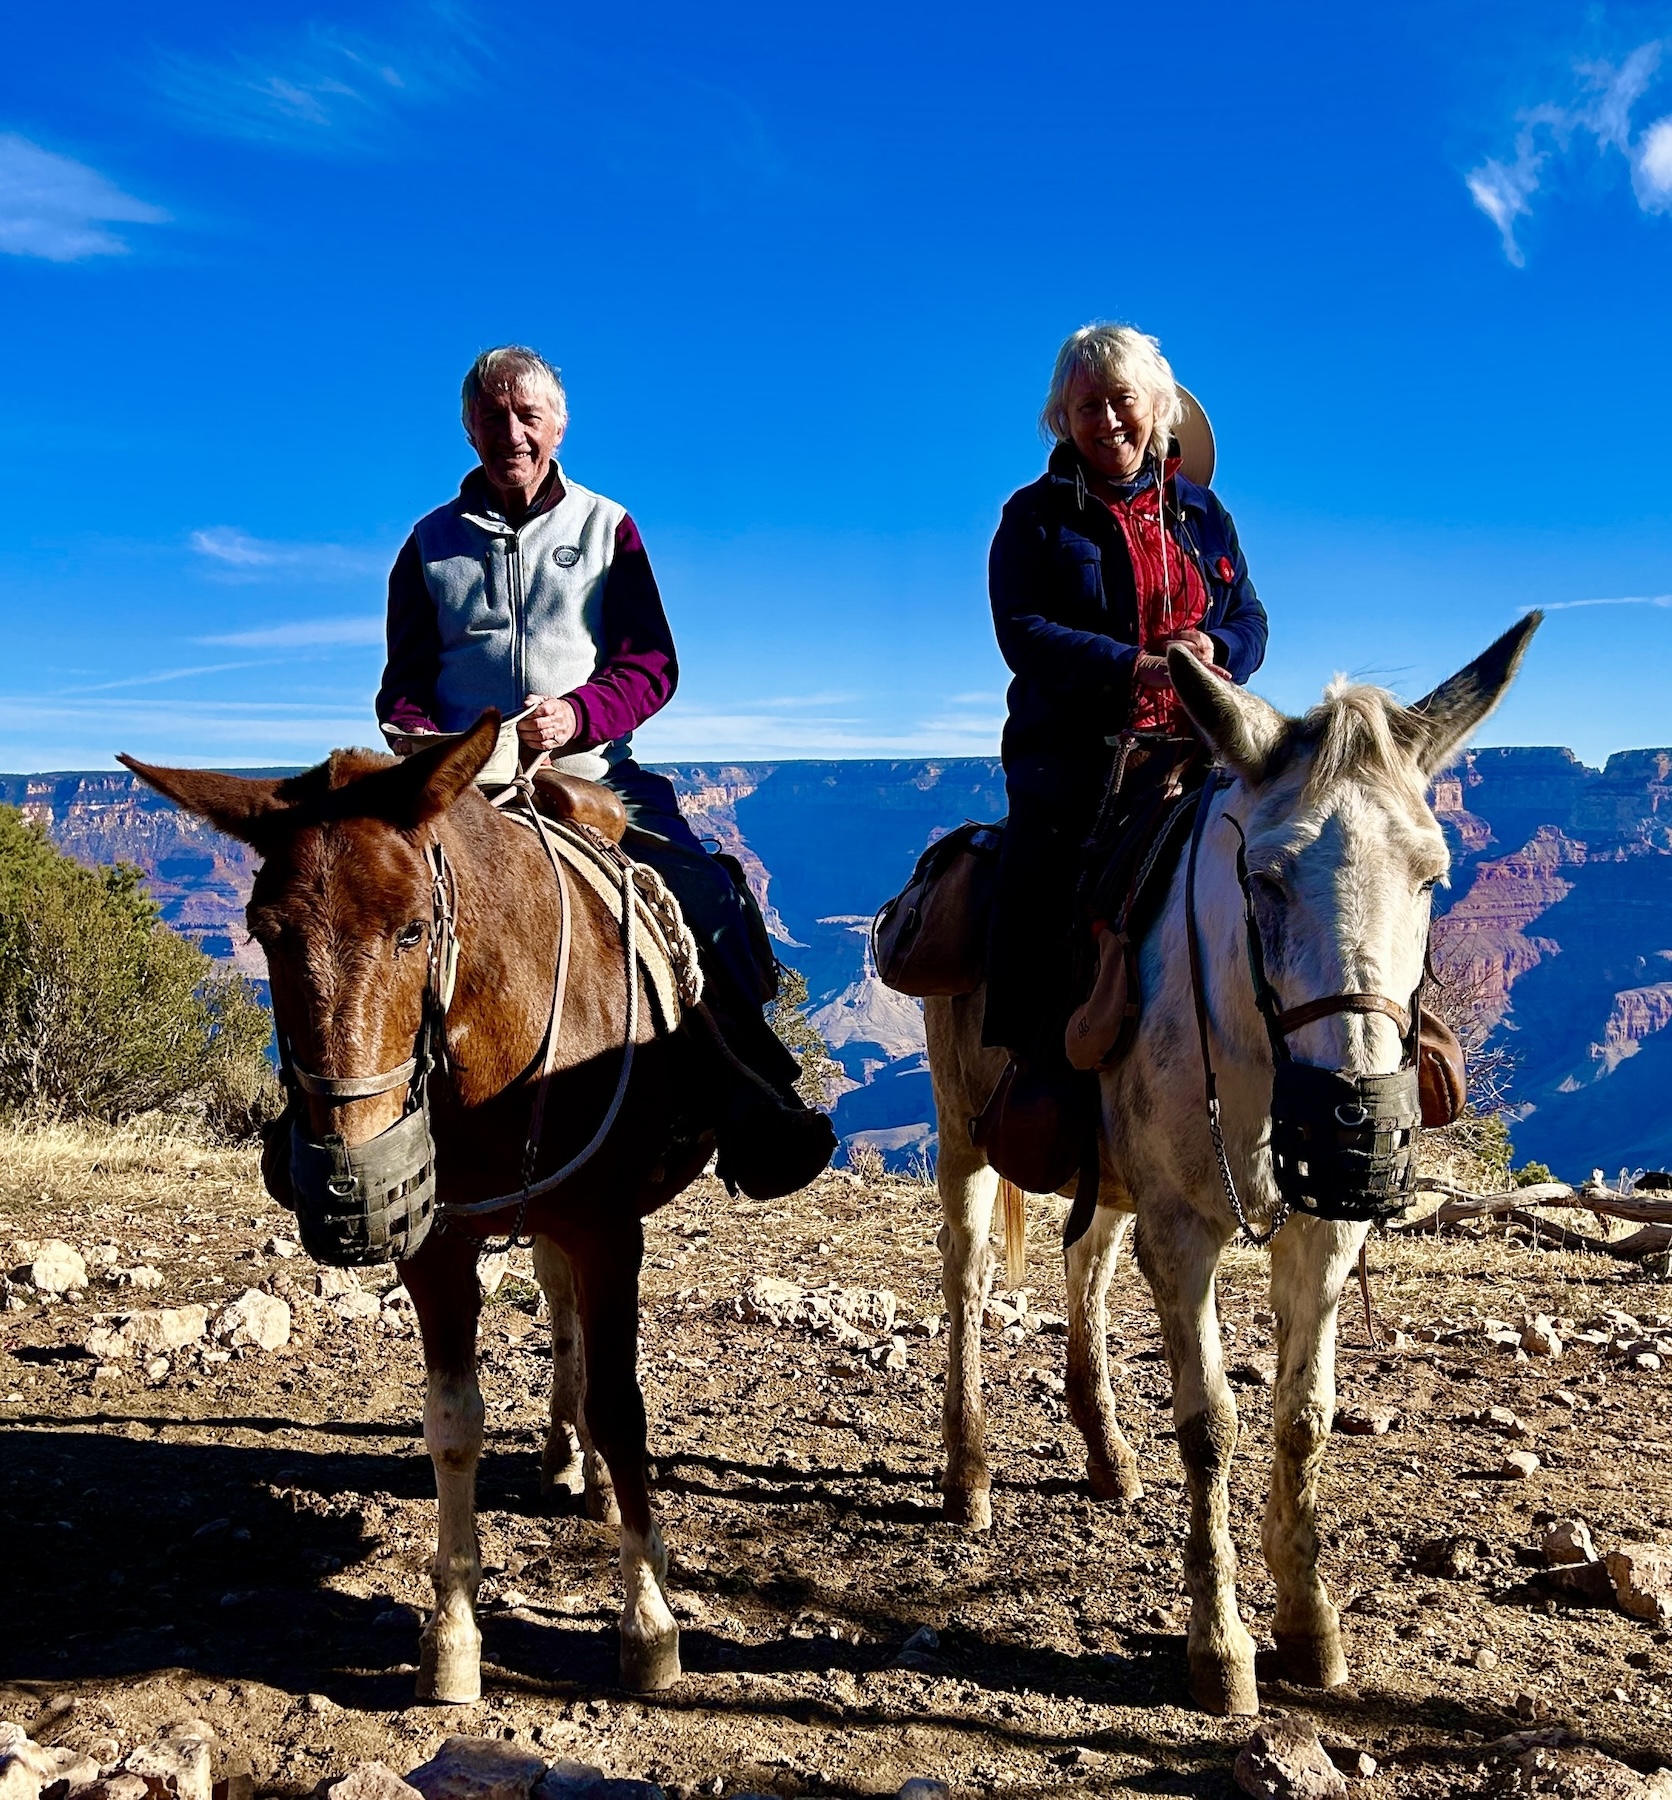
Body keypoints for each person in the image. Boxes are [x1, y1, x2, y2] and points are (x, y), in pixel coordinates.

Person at [377, 344, 835, 1199]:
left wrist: (579, 713)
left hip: (588, 769)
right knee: (353, 910)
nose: (510, 432)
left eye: (528, 414)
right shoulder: (426, 545)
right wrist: (424, 739)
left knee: (709, 898)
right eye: (492, 415)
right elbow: (401, 685)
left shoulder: (604, 526)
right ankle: (322, 1129)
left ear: (558, 422)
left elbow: (652, 663)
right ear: (468, 426)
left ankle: (751, 1096)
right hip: (456, 785)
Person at [981, 323, 1269, 1154]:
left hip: (1202, 750)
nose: (1105, 421)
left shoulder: (1207, 518)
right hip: (1077, 758)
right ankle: (1032, 1069)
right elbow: (1023, 632)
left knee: (1299, 868)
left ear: (1159, 410)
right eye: (1085, 407)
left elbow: (1249, 618)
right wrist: (1134, 669)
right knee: (1035, 882)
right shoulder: (1035, 518)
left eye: (1121, 401)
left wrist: (1220, 651)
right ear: (1061, 421)